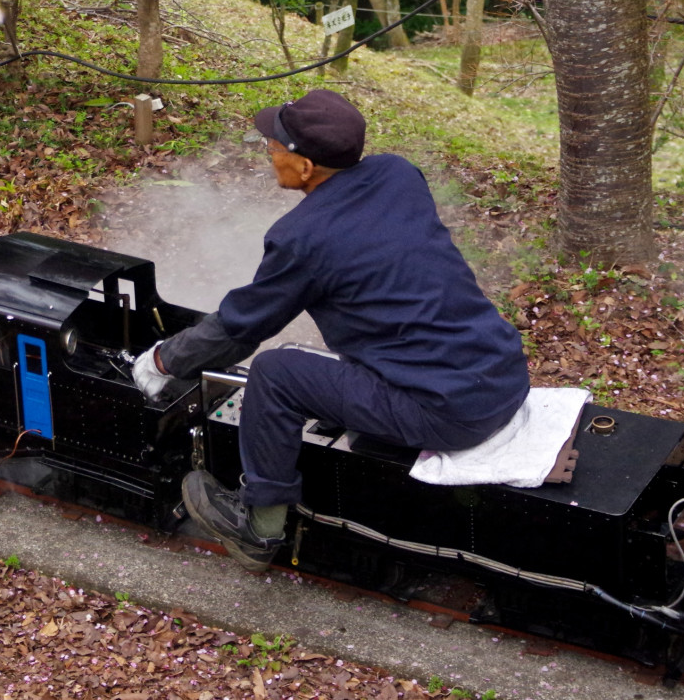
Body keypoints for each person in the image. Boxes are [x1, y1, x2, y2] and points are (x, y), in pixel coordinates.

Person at [132, 89, 529, 570]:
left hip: (445, 411)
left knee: (276, 373)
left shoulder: (303, 238)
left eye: (273, 147)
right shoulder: (398, 174)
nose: (269, 154)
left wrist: (163, 360)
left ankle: (259, 528)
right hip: (502, 374)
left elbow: (241, 328)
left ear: (304, 167)